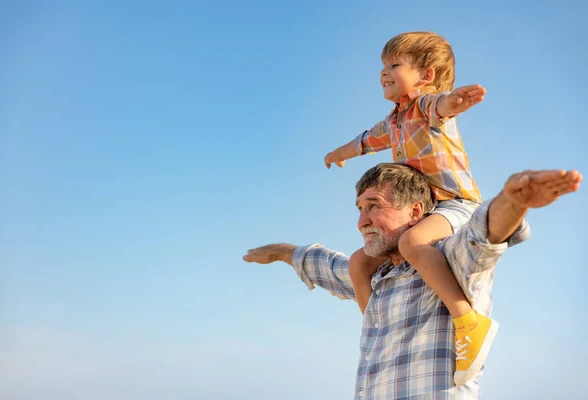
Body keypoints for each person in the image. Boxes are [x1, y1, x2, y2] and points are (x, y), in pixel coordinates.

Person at [243, 163, 582, 399]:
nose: (362, 221)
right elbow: (325, 264)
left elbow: (483, 234)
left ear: (416, 213)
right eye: (359, 209)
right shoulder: (374, 277)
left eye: (374, 206)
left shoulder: (448, 262)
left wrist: (514, 202)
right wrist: (280, 251)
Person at [323, 31, 489, 385]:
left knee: (411, 244)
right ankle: (378, 331)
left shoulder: (425, 107)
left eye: (394, 65)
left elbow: (441, 107)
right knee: (358, 262)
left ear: (425, 76)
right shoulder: (393, 122)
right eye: (382, 66)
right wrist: (338, 154)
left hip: (456, 204)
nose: (384, 72)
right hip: (426, 210)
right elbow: (365, 142)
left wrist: (454, 103)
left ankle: (468, 321)